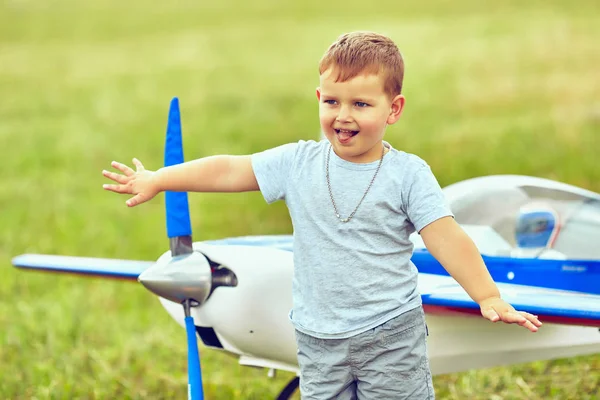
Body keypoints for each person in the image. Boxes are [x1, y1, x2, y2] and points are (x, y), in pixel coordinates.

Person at [102, 31, 542, 399]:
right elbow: (231, 168)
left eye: (361, 105)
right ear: (318, 98)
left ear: (394, 109)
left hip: (389, 336)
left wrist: (486, 295)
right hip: (317, 340)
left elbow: (447, 237)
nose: (343, 116)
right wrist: (162, 179)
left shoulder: (408, 175)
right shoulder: (298, 163)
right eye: (332, 102)